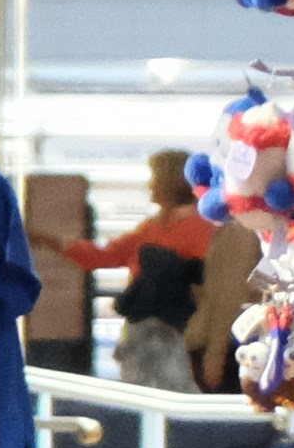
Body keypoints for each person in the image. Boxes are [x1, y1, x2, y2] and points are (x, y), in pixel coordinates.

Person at [89, 142, 219, 392]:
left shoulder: (205, 228)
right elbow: (105, 256)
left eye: (155, 178)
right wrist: (56, 243)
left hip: (180, 332)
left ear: (172, 182)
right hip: (143, 329)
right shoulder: (152, 226)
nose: (150, 186)